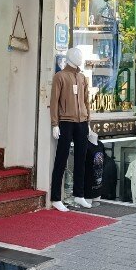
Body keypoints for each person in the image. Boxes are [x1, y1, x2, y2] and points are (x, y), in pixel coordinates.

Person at [50, 47, 92, 211]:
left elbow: (86, 100)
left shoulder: (82, 77)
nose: (80, 58)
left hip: (82, 122)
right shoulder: (59, 76)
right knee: (61, 158)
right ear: (69, 57)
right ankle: (55, 198)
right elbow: (54, 101)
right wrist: (55, 123)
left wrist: (88, 121)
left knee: (81, 159)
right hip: (66, 122)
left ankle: (79, 195)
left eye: (80, 55)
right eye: (76, 55)